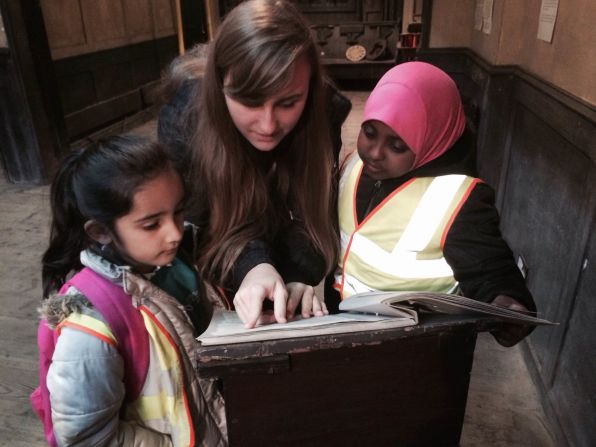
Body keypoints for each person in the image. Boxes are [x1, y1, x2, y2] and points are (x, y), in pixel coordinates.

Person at [158, 0, 351, 329]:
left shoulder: (324, 108)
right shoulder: (185, 114)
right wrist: (253, 266)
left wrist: (297, 276)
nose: (268, 125)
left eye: (288, 102)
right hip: (221, 234)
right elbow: (201, 218)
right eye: (249, 100)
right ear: (219, 87)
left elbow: (311, 206)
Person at [37, 135, 227, 446]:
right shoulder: (89, 326)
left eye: (178, 212)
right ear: (101, 232)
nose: (175, 233)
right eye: (152, 225)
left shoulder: (180, 261)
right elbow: (89, 438)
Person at [330, 62, 536, 347]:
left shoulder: (456, 198)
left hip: (410, 342)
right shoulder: (352, 163)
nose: (375, 153)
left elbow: (489, 265)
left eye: (397, 145)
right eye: (369, 132)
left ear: (433, 139)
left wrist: (507, 301)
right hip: (341, 322)